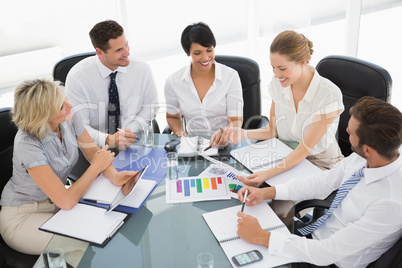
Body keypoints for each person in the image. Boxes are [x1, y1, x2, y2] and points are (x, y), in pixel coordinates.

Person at [236, 96, 402, 268]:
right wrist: (267, 192)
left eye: (351, 132)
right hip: (314, 235)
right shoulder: (371, 156)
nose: (345, 130)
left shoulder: (390, 203)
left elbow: (326, 253)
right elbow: (322, 182)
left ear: (368, 150)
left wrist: (261, 237)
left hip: (327, 262)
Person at [0, 79, 138, 255]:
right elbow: (66, 200)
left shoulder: (69, 117)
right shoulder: (27, 144)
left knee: (108, 226)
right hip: (23, 216)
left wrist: (114, 176)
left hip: (57, 206)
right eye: (60, 106)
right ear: (42, 115)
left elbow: (92, 152)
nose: (69, 105)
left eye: (65, 99)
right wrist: (96, 167)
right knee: (84, 245)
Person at [213, 30, 344, 187]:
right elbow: (273, 130)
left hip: (320, 164)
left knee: (273, 198)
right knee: (245, 183)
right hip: (285, 155)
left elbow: (303, 150)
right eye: (273, 67)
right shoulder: (279, 83)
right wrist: (242, 134)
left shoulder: (328, 94)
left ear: (302, 62)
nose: (276, 75)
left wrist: (267, 173)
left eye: (282, 68)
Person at [66, 20, 159, 150]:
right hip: (94, 146)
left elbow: (150, 107)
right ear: (99, 52)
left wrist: (127, 132)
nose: (127, 53)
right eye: (119, 50)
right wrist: (107, 140)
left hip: (132, 140)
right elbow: (79, 125)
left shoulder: (141, 68)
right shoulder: (78, 77)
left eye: (126, 45)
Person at [164, 22, 244, 137]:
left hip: (225, 141)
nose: (205, 58)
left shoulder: (231, 76)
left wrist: (223, 135)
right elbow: (172, 116)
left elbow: (235, 120)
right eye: (197, 53)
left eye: (209, 50)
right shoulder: (173, 82)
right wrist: (179, 131)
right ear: (188, 53)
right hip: (193, 143)